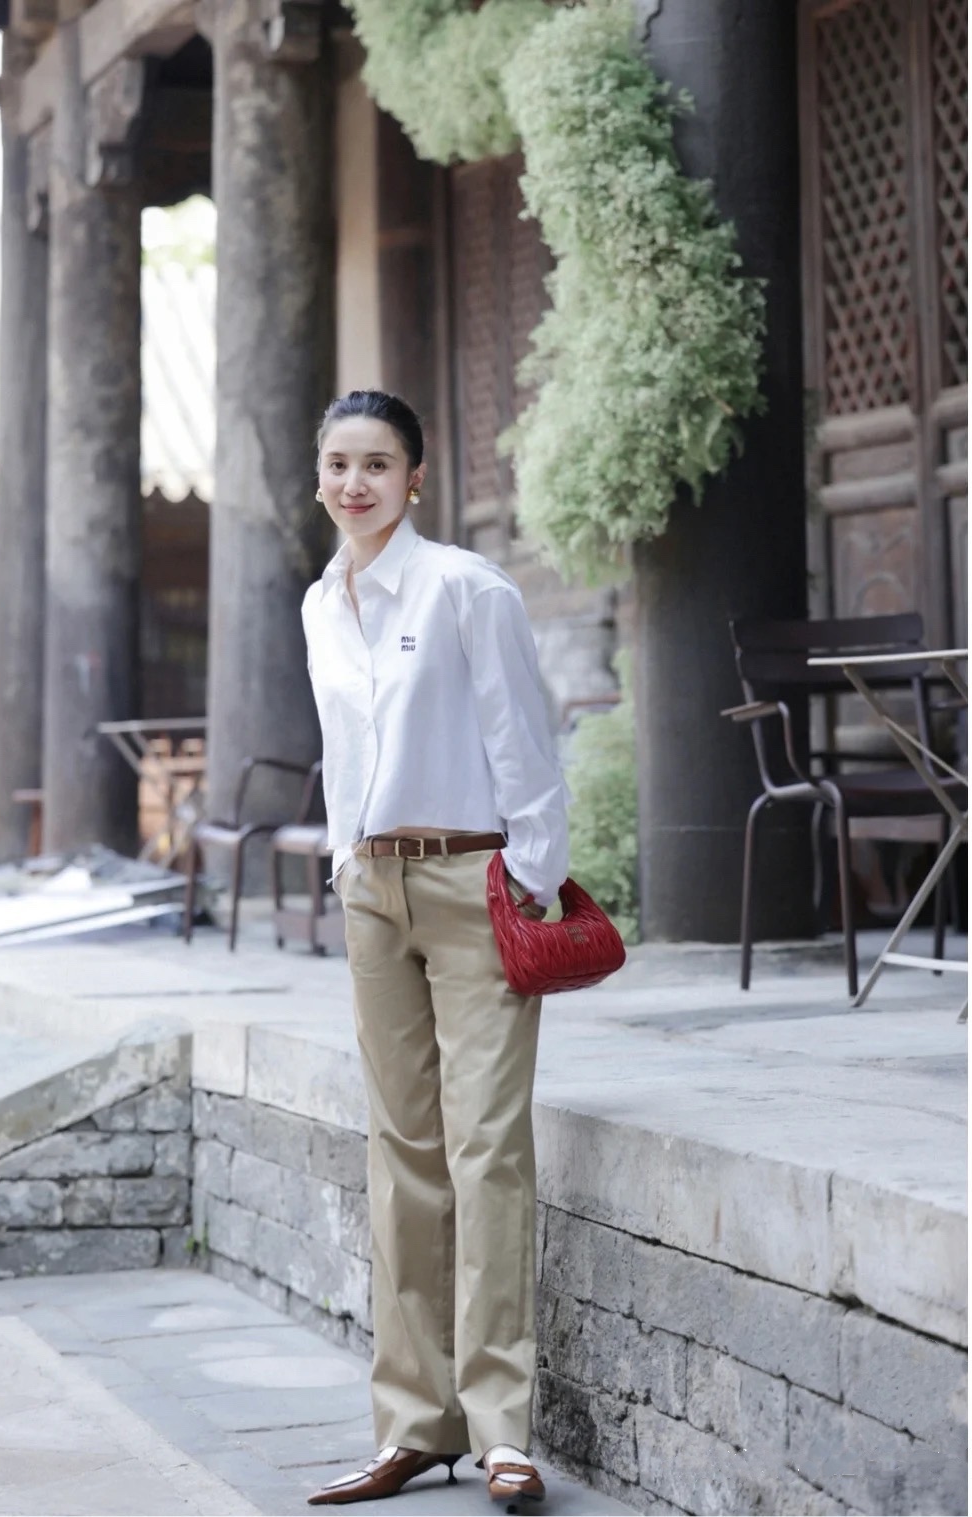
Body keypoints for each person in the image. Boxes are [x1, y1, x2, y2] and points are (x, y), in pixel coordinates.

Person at [300, 390, 569, 1508]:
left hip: (473, 879)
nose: (354, 483)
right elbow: (344, 746)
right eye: (337, 463)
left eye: (377, 463)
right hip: (373, 889)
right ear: (319, 476)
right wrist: (343, 862)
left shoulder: (467, 588)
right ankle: (414, 1424)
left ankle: (502, 1427)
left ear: (415, 477)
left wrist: (532, 880)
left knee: (486, 1147)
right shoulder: (321, 601)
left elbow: (522, 736)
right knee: (400, 1154)